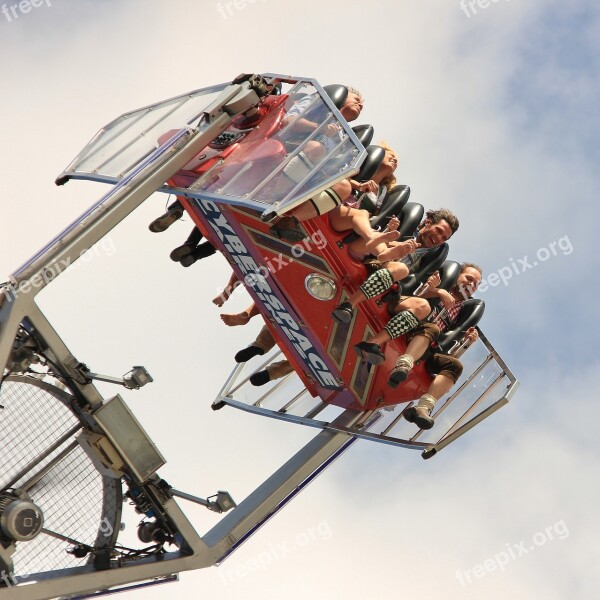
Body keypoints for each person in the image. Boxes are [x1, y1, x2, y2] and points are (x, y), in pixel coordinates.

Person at [332, 208, 460, 338]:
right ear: (428, 222)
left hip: (390, 282)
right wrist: (390, 236)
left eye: (444, 238)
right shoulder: (401, 227)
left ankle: (372, 344)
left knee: (423, 305)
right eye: (438, 231)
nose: (439, 238)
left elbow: (413, 290)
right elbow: (369, 233)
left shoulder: (426, 261)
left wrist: (436, 290)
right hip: (370, 258)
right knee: (399, 266)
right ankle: (348, 304)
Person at [391, 263, 483, 429]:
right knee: (432, 328)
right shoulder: (439, 282)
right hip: (409, 325)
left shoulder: (464, 311)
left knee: (455, 366)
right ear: (457, 276)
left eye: (476, 284)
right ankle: (404, 364)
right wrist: (437, 291)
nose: (471, 284)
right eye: (468, 278)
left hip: (428, 345)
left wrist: (467, 342)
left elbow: (450, 345)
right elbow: (411, 296)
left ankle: (423, 408)